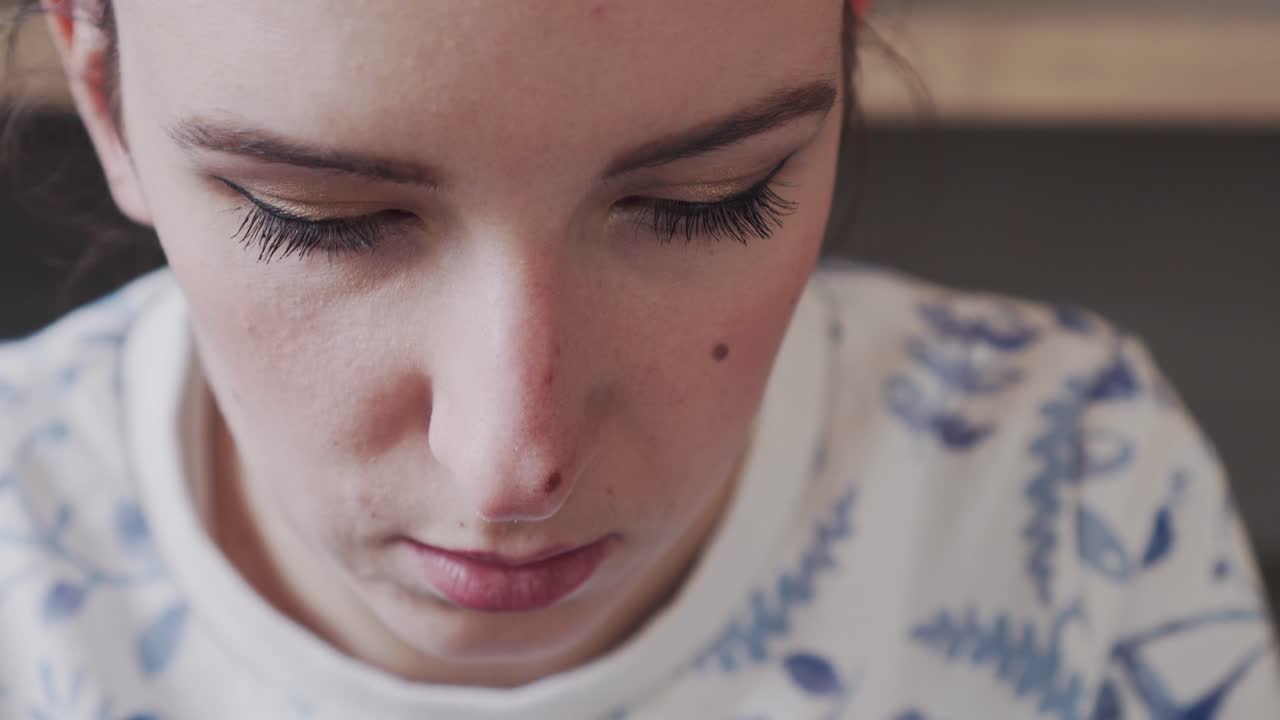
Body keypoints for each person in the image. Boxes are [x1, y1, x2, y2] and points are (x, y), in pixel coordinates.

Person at [0, 0, 1275, 717]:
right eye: (323, 221)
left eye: (708, 202)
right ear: (102, 90)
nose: (513, 467)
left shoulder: (1067, 493)